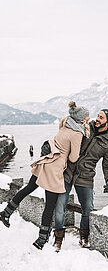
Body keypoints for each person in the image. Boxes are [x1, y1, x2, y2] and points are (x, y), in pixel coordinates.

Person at [0, 101, 90, 250]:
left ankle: (6, 212)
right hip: (54, 169)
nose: (88, 118)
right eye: (87, 116)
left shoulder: (65, 123)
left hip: (45, 161)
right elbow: (73, 158)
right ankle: (41, 240)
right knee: (50, 206)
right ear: (81, 118)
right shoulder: (77, 133)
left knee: (28, 188)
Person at [46, 108, 108, 251]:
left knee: (88, 209)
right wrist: (49, 145)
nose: (97, 119)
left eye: (101, 118)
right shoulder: (84, 127)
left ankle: (84, 237)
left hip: (85, 177)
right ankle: (58, 239)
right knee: (60, 207)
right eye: (98, 116)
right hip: (67, 172)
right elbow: (64, 136)